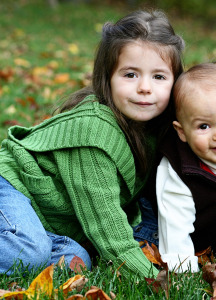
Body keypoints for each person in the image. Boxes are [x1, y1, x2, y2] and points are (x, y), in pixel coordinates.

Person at [0, 10, 184, 279]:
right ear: (106, 78)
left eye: (159, 77)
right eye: (130, 75)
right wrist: (155, 280)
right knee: (28, 254)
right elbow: (108, 230)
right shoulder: (94, 132)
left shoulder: (159, 126)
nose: (145, 87)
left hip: (42, 217)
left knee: (76, 259)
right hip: (10, 187)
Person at [143, 62, 216, 272]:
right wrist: (184, 272)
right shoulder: (177, 171)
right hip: (164, 226)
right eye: (203, 126)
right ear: (181, 131)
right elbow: (175, 231)